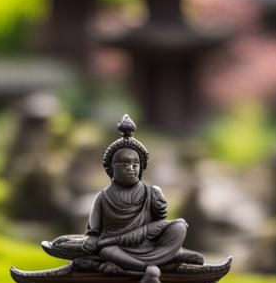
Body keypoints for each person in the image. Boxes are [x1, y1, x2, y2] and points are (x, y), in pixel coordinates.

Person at [43, 115, 204, 272]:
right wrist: (95, 240)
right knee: (106, 251)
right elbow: (94, 232)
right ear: (111, 168)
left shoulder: (150, 192)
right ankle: (153, 264)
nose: (131, 168)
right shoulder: (104, 197)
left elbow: (157, 224)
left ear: (142, 167)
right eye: (124, 163)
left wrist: (160, 207)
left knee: (179, 227)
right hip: (116, 247)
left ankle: (156, 260)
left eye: (135, 164)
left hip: (147, 244)